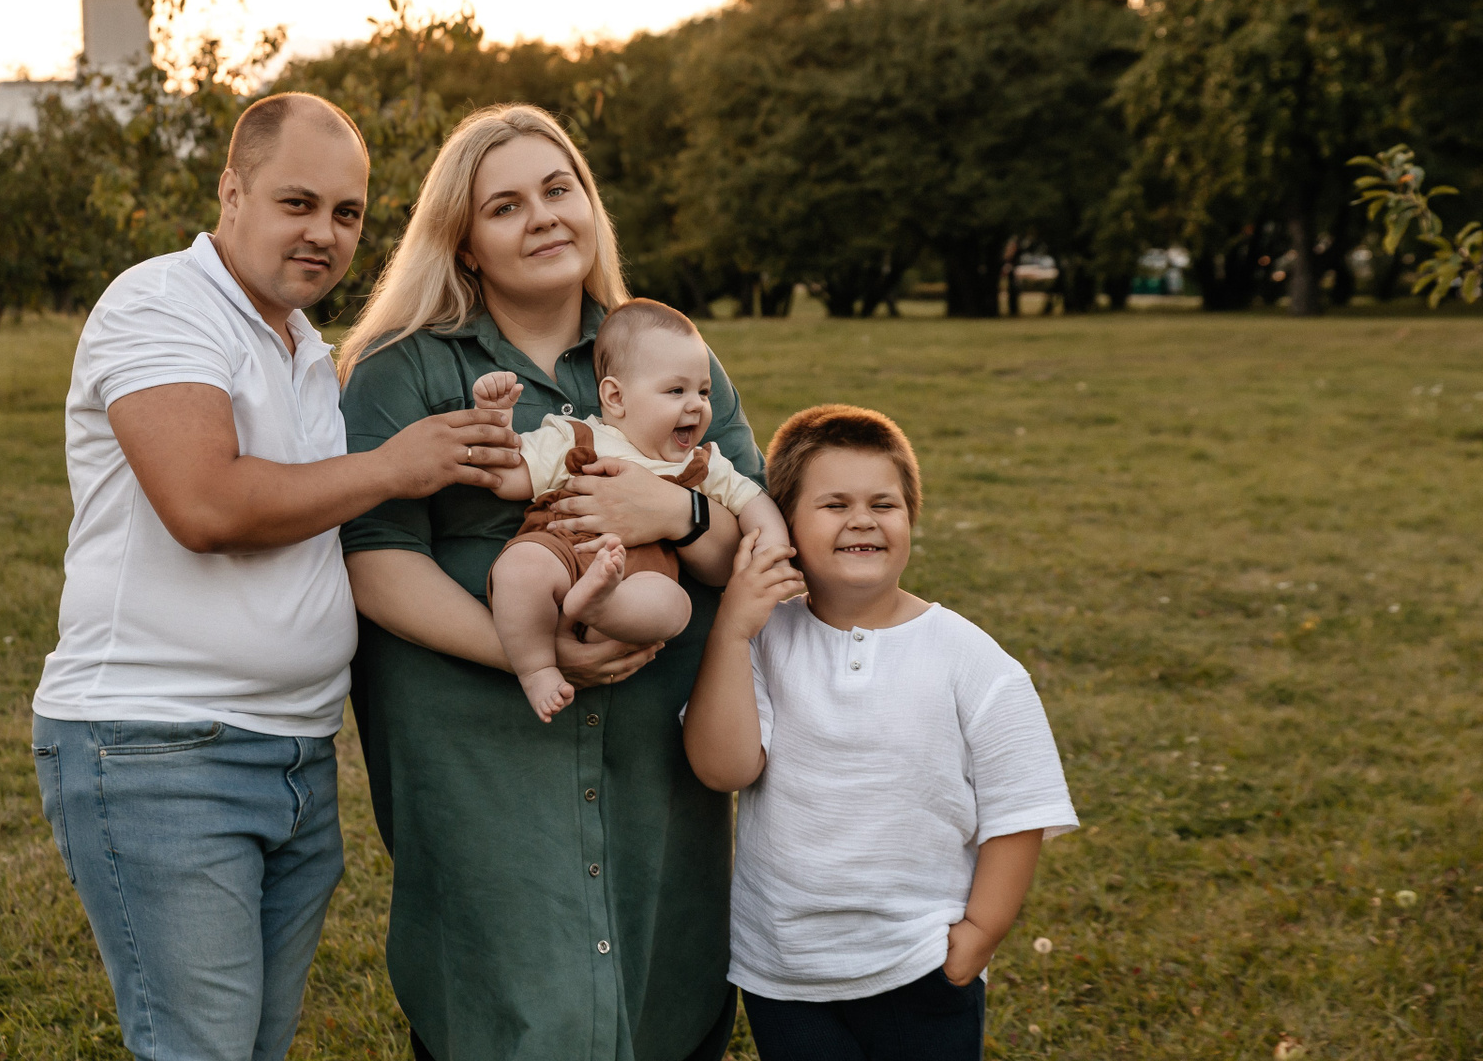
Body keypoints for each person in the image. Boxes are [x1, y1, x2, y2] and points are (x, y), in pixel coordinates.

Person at [29, 93, 522, 1061]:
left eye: (347, 213)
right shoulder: (162, 302)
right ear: (232, 191)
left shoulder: (301, 347)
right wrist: (394, 466)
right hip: (161, 745)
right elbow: (206, 505)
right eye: (298, 203)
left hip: (293, 754)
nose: (324, 234)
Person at [338, 103, 762, 1061]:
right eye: (505, 206)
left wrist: (675, 515)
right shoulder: (404, 371)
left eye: (558, 189)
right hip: (481, 755)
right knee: (506, 1002)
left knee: (663, 996)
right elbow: (374, 558)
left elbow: (750, 536)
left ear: (590, 204)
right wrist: (529, 653)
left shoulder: (671, 355)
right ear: (466, 243)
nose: (542, 217)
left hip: (655, 763)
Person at [682, 404, 1077, 1061]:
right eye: (834, 504)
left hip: (920, 963)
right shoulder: (762, 641)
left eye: (883, 504)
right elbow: (724, 768)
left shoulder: (971, 660)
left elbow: (1019, 810)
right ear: (784, 525)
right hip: (785, 972)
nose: (862, 519)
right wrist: (730, 630)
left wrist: (977, 937)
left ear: (910, 518)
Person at [472, 298, 789, 721]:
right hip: (561, 552)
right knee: (518, 569)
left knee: (674, 606)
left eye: (703, 391)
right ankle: (537, 669)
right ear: (616, 397)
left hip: (638, 579)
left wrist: (772, 551)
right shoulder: (575, 438)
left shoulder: (701, 463)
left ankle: (600, 604)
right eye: (676, 391)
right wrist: (495, 420)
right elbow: (509, 480)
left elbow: (754, 501)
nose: (696, 405)